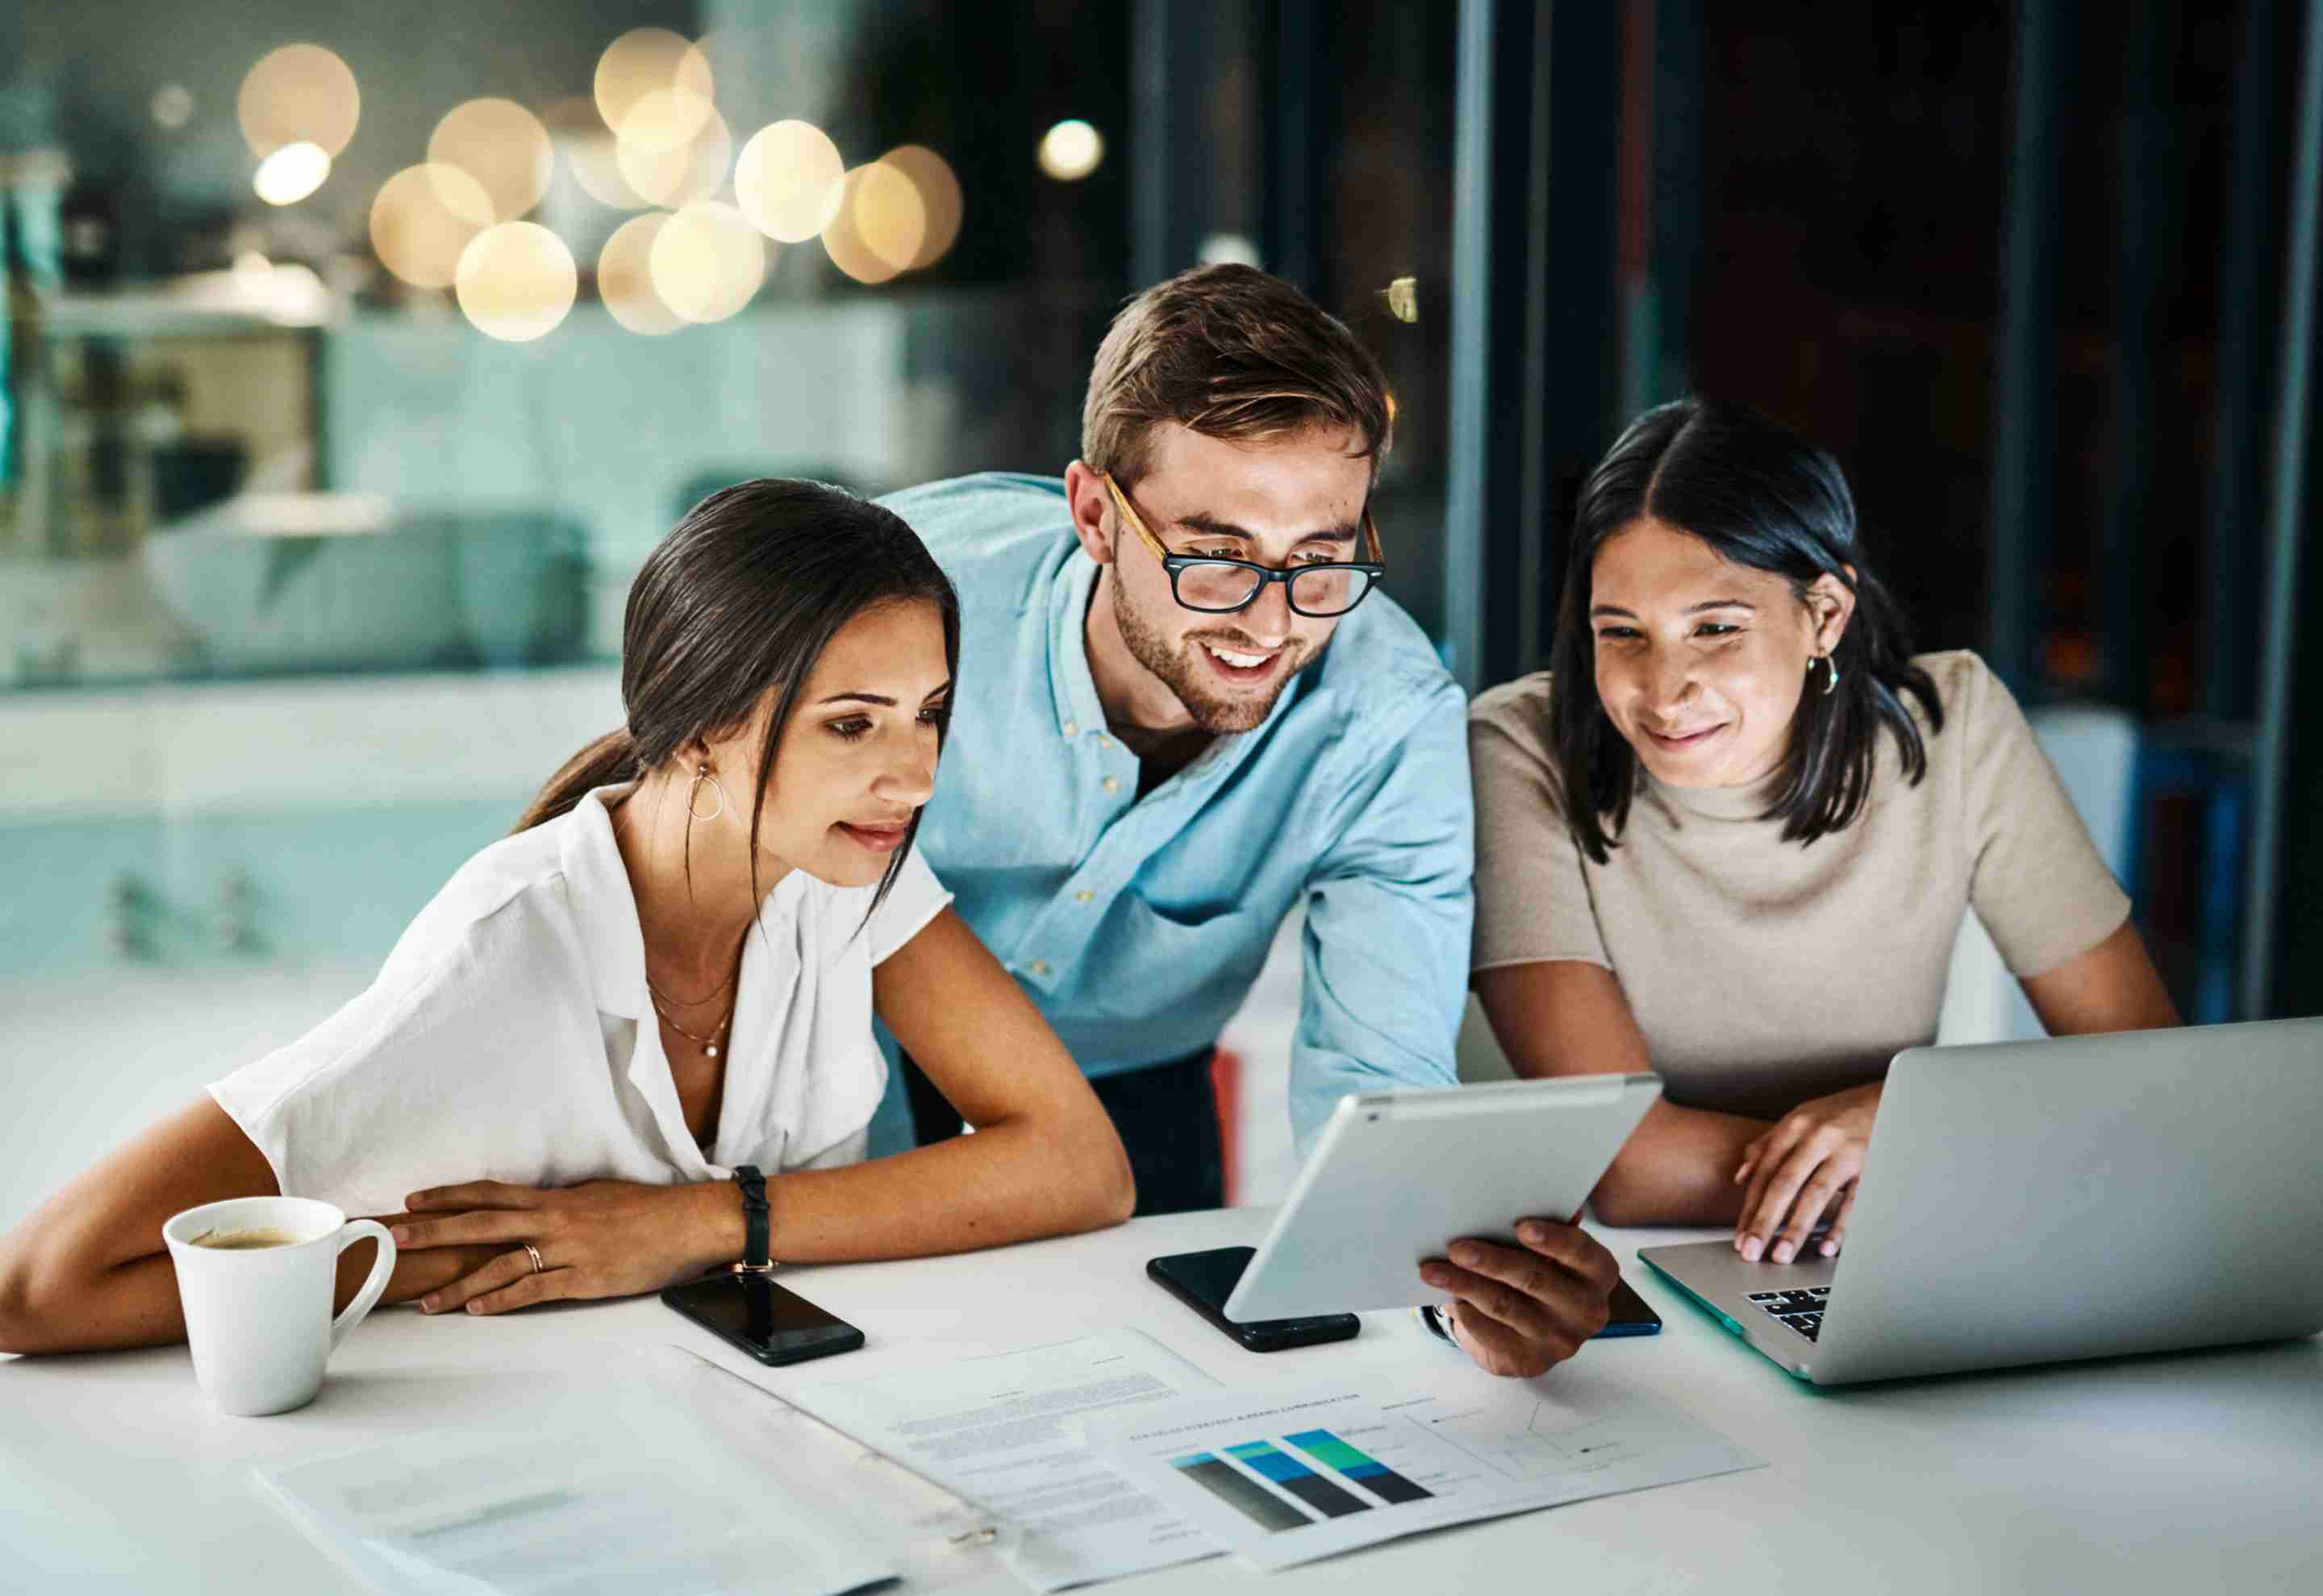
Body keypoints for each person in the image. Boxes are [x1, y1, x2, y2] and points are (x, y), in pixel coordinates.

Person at [0, 480, 1133, 1356]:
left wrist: (691, 1226)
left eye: (929, 714)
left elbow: (1082, 1166)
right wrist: (445, 1262)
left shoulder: (848, 874)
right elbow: (41, 1285)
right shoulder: (501, 961)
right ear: (698, 728)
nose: (917, 776)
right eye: (852, 726)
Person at [882, 264, 1619, 1378]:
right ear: (1092, 514)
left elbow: (1381, 1085)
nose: (1270, 622)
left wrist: (1465, 1301)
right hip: (853, 1072)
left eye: (1319, 559)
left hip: (1133, 1096)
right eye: (1217, 556)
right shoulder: (897, 601)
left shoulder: (1386, 716)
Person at [1470, 399, 2181, 1268]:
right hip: (1604, 1267)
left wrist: (1916, 1125)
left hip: (1882, 1252)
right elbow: (1625, 1163)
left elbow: (2143, 1067)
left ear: (1826, 615)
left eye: (1716, 628)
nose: (1664, 688)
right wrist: (1941, 1148)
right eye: (1623, 633)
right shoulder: (1517, 746)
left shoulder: (1951, 724)